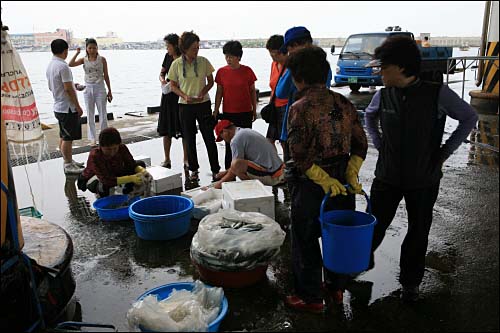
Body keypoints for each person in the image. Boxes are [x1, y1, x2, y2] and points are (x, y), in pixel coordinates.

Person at [364, 36, 478, 302]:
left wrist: (444, 153)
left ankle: (410, 284)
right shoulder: (383, 94)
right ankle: (357, 264)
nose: (379, 72)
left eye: (384, 66)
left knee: (418, 230)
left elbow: (469, 117)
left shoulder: (436, 92)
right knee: (373, 224)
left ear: (402, 67)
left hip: (423, 177)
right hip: (387, 175)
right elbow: (369, 116)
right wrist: (379, 143)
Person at [284, 46, 368, 313]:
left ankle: (310, 298)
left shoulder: (299, 108)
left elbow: (297, 153)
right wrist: (351, 171)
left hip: (311, 183)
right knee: (338, 236)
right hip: (342, 182)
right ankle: (336, 288)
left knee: (306, 238)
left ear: (298, 78)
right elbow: (361, 143)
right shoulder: (344, 102)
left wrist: (319, 177)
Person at [167, 31, 220, 182]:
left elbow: (211, 81)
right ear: (184, 49)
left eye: (198, 47)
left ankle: (215, 169)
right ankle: (194, 170)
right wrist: (184, 96)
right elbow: (173, 85)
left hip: (203, 104)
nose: (196, 51)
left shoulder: (203, 61)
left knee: (209, 137)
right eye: (193, 48)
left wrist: (203, 92)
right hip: (185, 106)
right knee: (189, 139)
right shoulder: (176, 64)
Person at [275, 26, 332, 162]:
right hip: (311, 129)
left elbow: (281, 92)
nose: (290, 53)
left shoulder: (296, 68)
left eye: (291, 49)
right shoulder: (325, 66)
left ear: (303, 45)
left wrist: (291, 67)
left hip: (306, 129)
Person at [214, 40, 257, 170]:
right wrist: (215, 109)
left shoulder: (247, 71)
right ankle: (229, 170)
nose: (228, 59)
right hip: (228, 113)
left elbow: (252, 92)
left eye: (231, 56)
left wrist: (254, 110)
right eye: (226, 56)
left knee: (246, 142)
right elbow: (219, 92)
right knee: (229, 144)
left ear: (238, 57)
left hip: (245, 112)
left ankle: (247, 170)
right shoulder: (221, 72)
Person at [46, 38, 85, 175]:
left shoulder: (51, 65)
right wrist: (78, 106)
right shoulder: (63, 66)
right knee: (68, 137)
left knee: (63, 135)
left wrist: (73, 87)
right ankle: (68, 164)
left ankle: (68, 160)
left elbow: (53, 87)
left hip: (58, 105)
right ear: (65, 51)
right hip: (67, 107)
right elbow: (68, 89)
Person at [212, 120, 285, 189]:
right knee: (236, 164)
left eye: (222, 137)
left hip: (275, 176)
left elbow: (235, 168)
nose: (224, 140)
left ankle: (254, 193)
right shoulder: (243, 132)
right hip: (279, 170)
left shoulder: (236, 140)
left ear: (225, 131)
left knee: (236, 165)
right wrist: (225, 172)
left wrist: (217, 185)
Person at [77, 127, 149, 198]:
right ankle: (102, 196)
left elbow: (132, 164)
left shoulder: (122, 148)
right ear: (101, 146)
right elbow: (106, 180)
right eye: (108, 149)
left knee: (140, 164)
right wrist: (130, 178)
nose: (112, 152)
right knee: (104, 186)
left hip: (113, 171)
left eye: (115, 148)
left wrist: (142, 171)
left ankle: (128, 193)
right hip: (95, 178)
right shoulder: (95, 155)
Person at [68, 38, 112, 146]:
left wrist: (110, 90)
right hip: (88, 87)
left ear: (97, 48)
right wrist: (77, 53)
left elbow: (106, 75)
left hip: (100, 87)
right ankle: (92, 138)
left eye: (94, 48)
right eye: (90, 48)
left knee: (102, 113)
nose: (92, 50)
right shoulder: (84, 60)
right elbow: (70, 64)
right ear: (86, 49)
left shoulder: (102, 59)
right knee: (90, 114)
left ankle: (104, 136)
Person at [158, 33, 188, 169]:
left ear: (175, 45)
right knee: (166, 129)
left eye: (168, 46)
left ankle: (186, 159)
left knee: (184, 129)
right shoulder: (167, 57)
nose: (167, 49)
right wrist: (162, 80)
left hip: (180, 95)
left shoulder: (184, 59)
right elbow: (162, 72)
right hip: (168, 95)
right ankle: (167, 158)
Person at [264, 35, 288, 152]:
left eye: (273, 53)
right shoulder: (274, 64)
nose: (272, 56)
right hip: (275, 106)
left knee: (285, 142)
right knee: (269, 140)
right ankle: (277, 166)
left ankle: (287, 165)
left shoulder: (291, 66)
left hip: (287, 107)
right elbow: (273, 86)